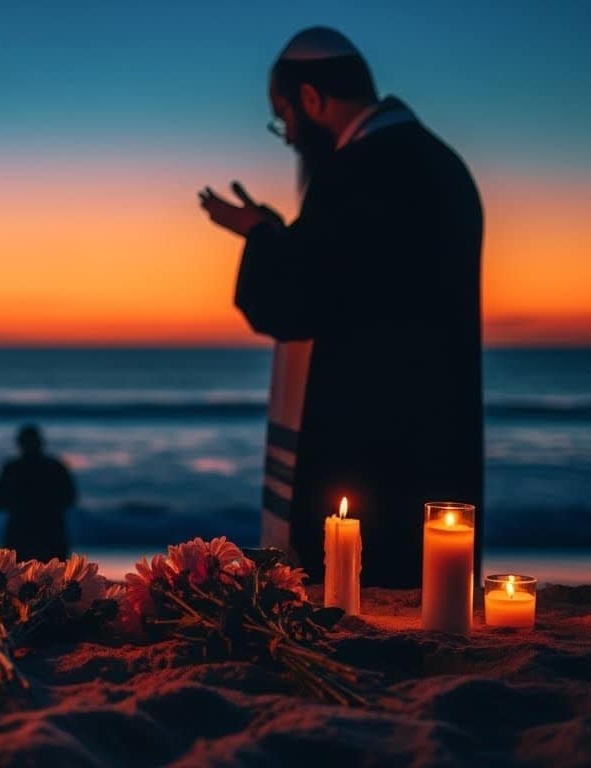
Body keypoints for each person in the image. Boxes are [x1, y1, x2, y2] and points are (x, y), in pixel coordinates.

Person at [197, 27, 484, 588]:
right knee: (425, 579)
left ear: (310, 98)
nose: (287, 137)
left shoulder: (357, 171)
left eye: (284, 119)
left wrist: (258, 233)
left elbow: (294, 303)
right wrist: (281, 232)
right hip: (434, 415)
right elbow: (348, 273)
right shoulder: (437, 162)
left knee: (361, 578)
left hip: (366, 424)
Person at [0, 424, 77, 561]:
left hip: (22, 533)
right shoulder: (56, 467)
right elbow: (70, 499)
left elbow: (0, 503)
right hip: (51, 532)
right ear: (42, 443)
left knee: (18, 577)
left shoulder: (11, 469)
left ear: (19, 444)